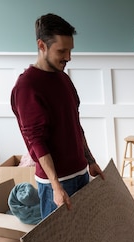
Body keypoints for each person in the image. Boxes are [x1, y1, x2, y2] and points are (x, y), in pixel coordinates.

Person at [11, 13, 104, 219]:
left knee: (84, 236)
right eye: (62, 51)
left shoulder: (63, 78)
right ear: (42, 45)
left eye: (70, 50)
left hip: (80, 174)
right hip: (57, 183)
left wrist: (90, 160)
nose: (68, 57)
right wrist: (56, 186)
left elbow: (75, 125)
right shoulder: (27, 87)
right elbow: (36, 141)